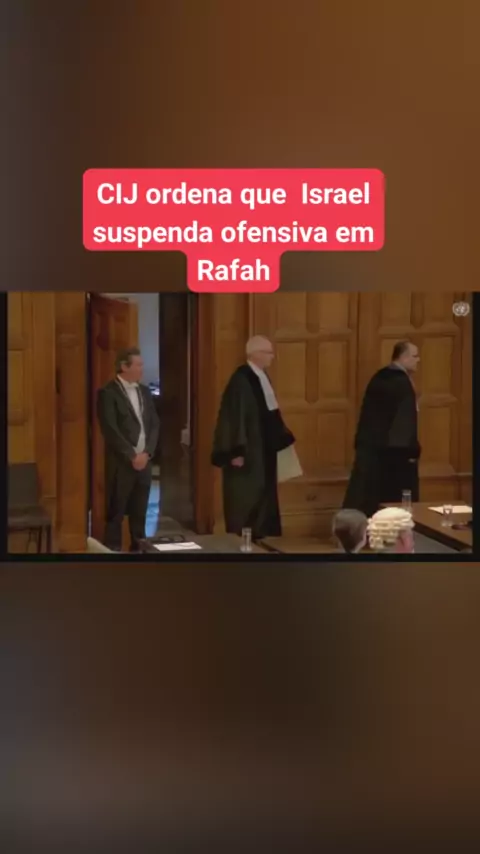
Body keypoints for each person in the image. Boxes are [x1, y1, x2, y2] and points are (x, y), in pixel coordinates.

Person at [211, 335, 295, 539]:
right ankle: (244, 538)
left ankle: (259, 535)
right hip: (248, 451)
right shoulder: (241, 380)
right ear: (255, 354)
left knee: (263, 492)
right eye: (268, 353)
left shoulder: (262, 377)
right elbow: (234, 418)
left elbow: (270, 412)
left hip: (263, 449)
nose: (272, 357)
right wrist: (236, 451)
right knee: (245, 495)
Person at [343, 340, 421, 517]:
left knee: (364, 497)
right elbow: (404, 422)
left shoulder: (379, 376)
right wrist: (411, 452)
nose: (418, 360)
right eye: (415, 356)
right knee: (392, 503)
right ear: (403, 357)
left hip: (370, 449)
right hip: (392, 456)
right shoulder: (401, 382)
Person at [97, 347, 159, 551]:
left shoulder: (144, 391)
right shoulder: (108, 393)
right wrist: (132, 455)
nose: (142, 369)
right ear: (124, 366)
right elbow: (110, 429)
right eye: (138, 365)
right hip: (121, 463)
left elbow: (154, 424)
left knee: (140, 512)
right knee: (116, 513)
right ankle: (113, 554)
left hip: (145, 461)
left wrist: (147, 453)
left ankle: (139, 551)